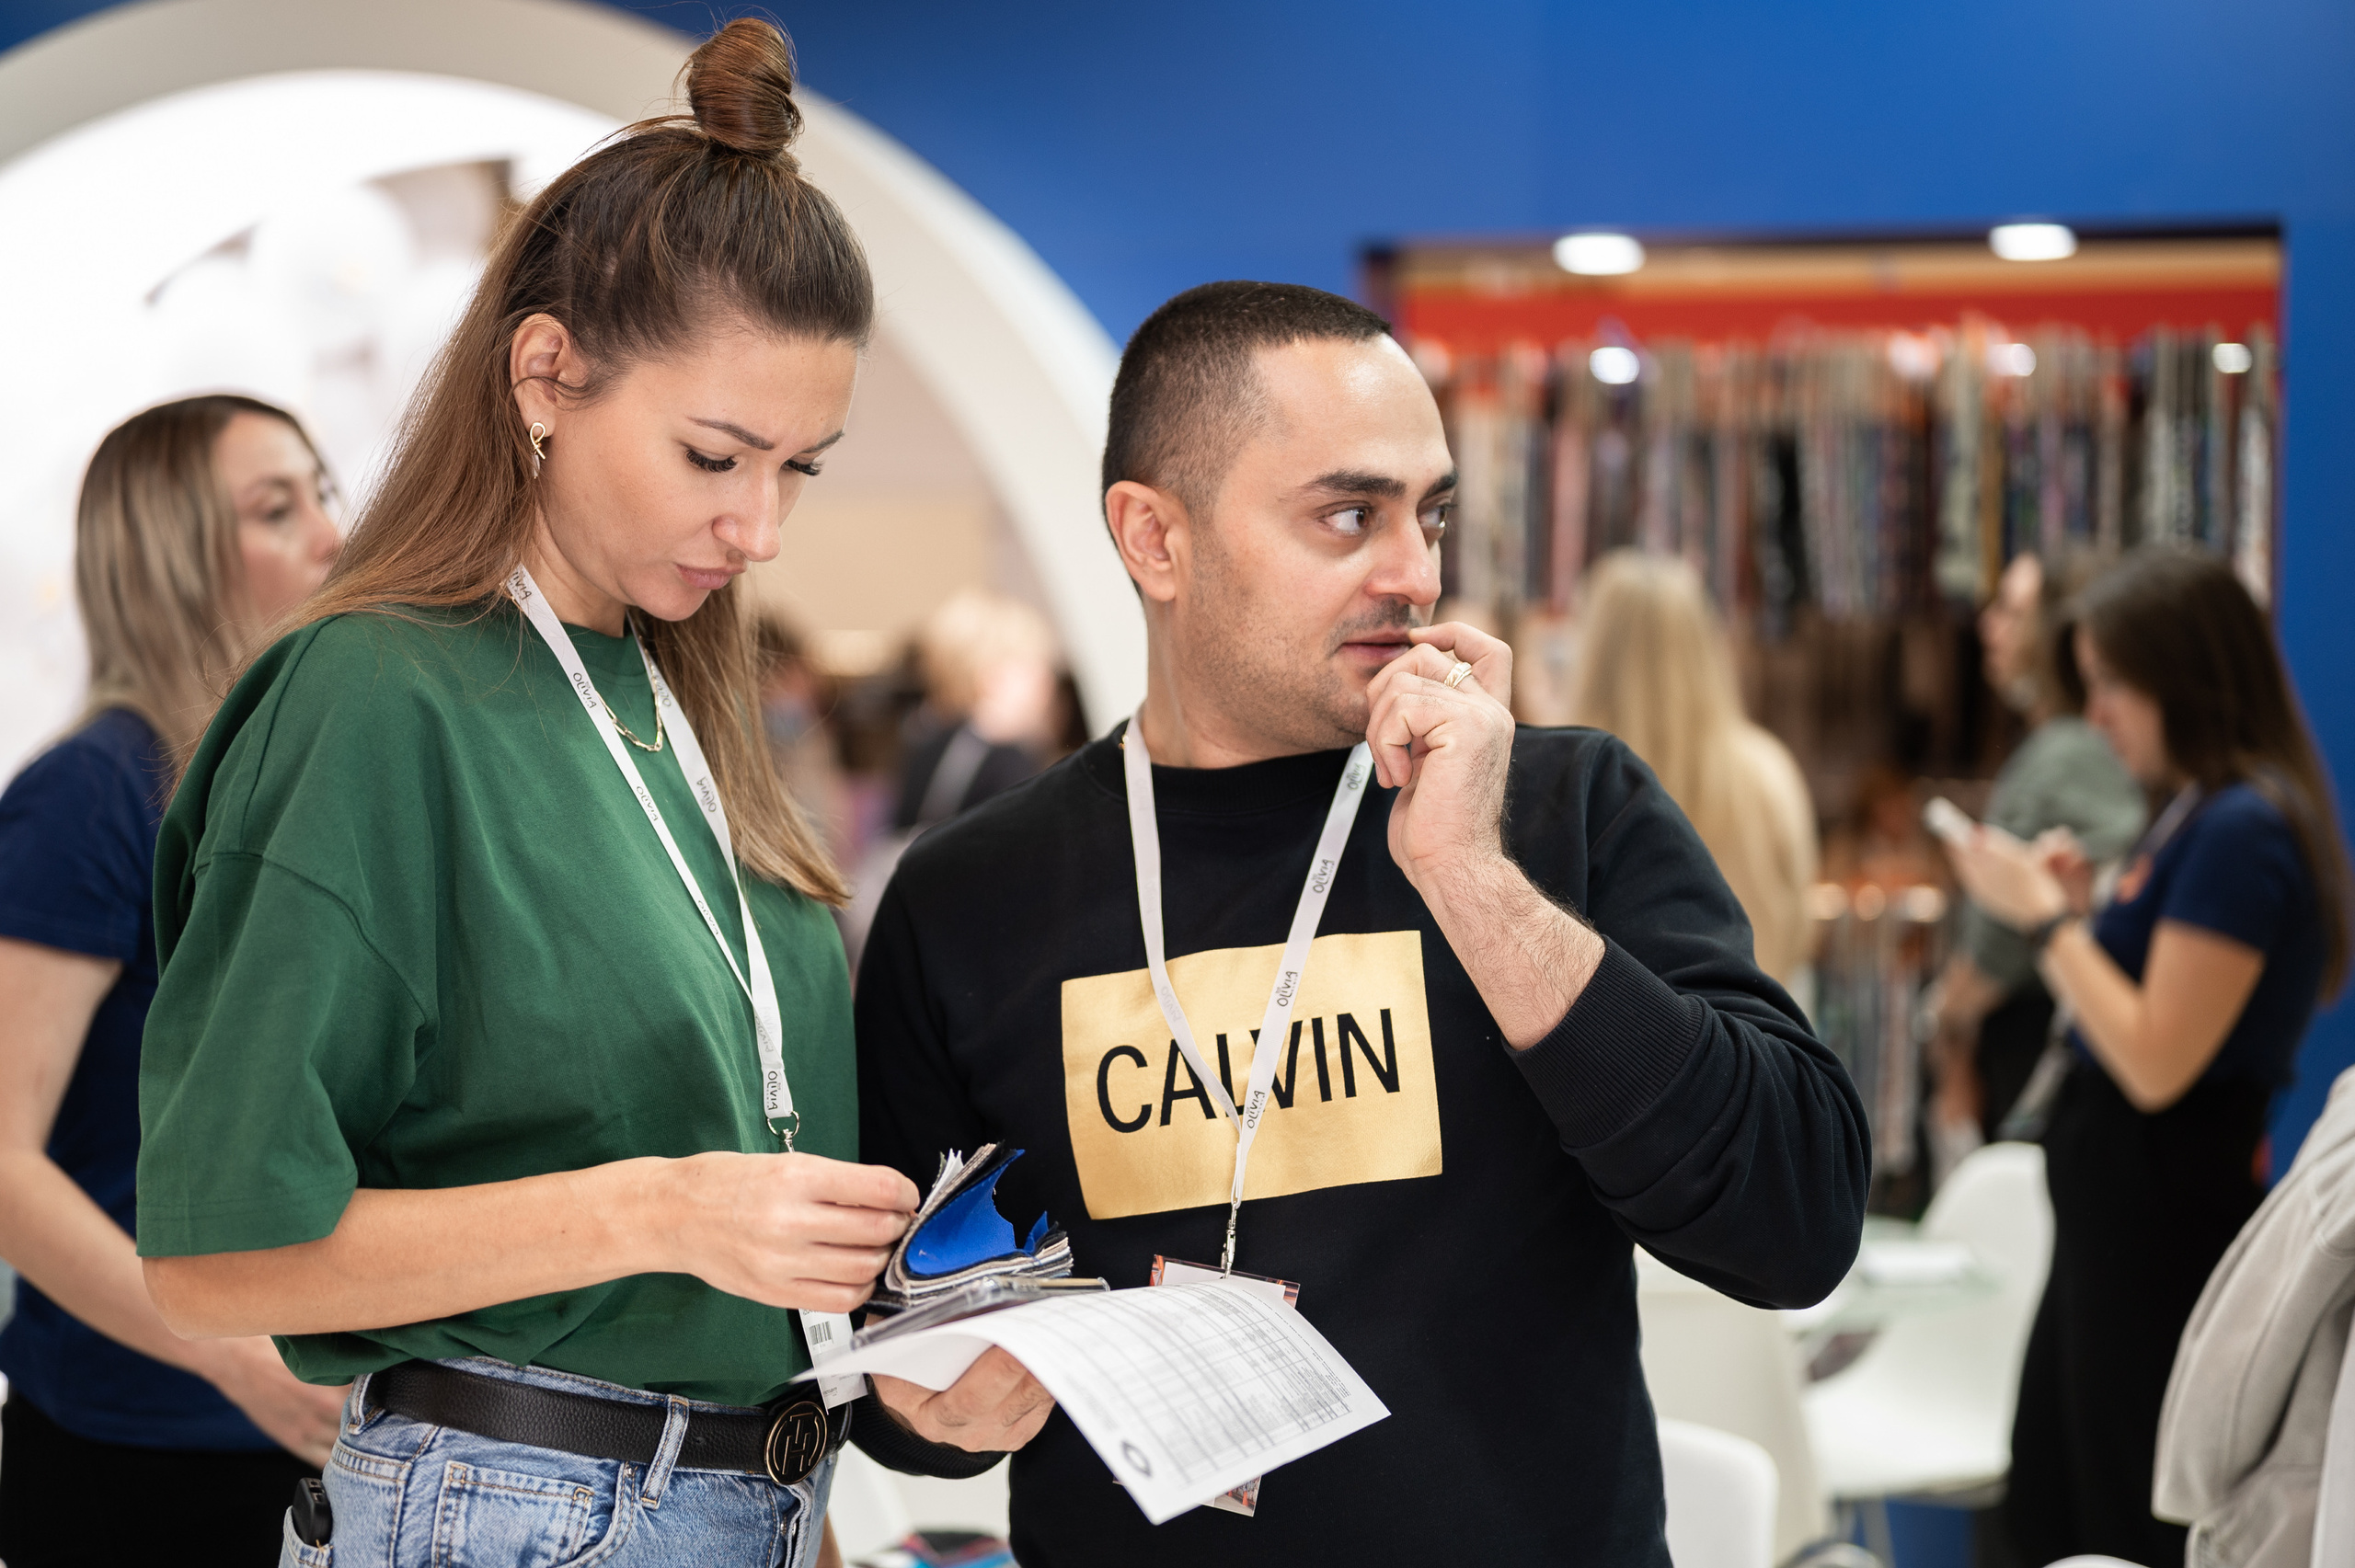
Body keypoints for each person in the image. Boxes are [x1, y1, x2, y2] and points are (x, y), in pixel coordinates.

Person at [128, 23, 997, 1566]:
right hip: (519, 1504)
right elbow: (216, 1258)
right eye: (716, 455)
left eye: (800, 468)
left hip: (762, 1493)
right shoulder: (378, 702)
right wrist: (657, 1213)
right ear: (545, 375)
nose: (760, 527)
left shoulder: (680, 700)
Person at [853, 280, 1868, 1564]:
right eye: (1349, 515)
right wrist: (924, 1404)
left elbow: (1798, 1223)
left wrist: (1475, 880)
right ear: (1154, 540)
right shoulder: (970, 897)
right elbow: (901, 1361)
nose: (1416, 571)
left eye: (1430, 512)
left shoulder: (1561, 809)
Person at [1943, 546, 2351, 1565]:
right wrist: (2079, 916)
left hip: (2155, 1231)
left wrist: (2045, 924)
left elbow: (2157, 1057)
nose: (2102, 714)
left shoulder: (2243, 829)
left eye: (2116, 684)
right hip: (2113, 1228)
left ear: (2186, 676)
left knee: (2117, 1518)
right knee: (2054, 1501)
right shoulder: (2197, 813)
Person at [0, 395, 344, 1565]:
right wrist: (240, 1361)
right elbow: (2, 1160)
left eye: (321, 492)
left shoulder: (278, 789)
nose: (331, 535)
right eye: (275, 507)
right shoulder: (89, 796)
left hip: (314, 1434)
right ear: (168, 553)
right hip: (138, 1449)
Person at [1928, 552, 2143, 1163]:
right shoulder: (2082, 751)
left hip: (2035, 1034)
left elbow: (1997, 943)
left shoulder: (2062, 754)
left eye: (2013, 612)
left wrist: (1944, 1016)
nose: (1989, 626)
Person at [1566, 547, 1819, 990]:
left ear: (1595, 649)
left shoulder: (1567, 784)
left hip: (1608, 1050)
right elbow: (1801, 927)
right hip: (1750, 1044)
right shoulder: (1766, 772)